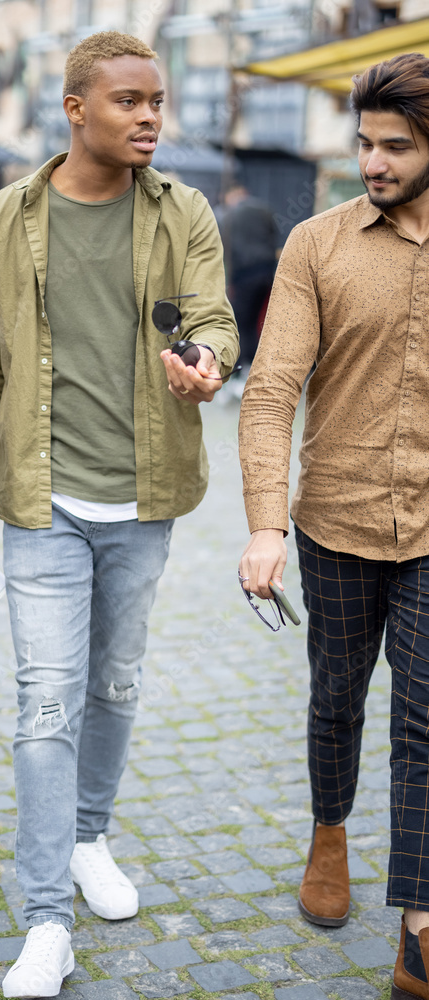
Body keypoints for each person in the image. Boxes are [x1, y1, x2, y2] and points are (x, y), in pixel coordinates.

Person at [0, 30, 238, 1000]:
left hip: (144, 497)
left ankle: (86, 835)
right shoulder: (6, 218)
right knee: (43, 702)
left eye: (157, 99)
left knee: (112, 683)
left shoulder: (181, 209)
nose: (150, 115)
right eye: (128, 101)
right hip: (41, 501)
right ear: (74, 108)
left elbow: (212, 318)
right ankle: (43, 923)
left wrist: (207, 366)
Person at [238, 53, 429, 1000]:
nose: (372, 161)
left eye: (394, 146)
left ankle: (419, 925)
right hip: (335, 520)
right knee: (335, 698)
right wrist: (265, 524)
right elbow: (271, 389)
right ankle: (328, 833)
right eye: (363, 142)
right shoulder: (317, 243)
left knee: (425, 715)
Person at [216, 183, 279, 373]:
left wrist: (228, 280)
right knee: (257, 320)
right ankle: (253, 363)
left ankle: (240, 364)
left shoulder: (227, 216)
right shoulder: (263, 209)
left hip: (243, 274)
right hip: (266, 272)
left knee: (241, 321)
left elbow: (225, 249)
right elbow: (273, 235)